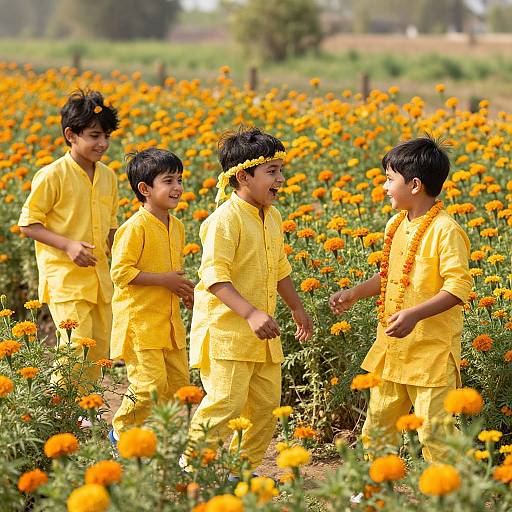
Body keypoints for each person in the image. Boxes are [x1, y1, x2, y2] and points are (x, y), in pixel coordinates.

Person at [330, 136, 472, 461]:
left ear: (415, 185)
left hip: (430, 354)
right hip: (392, 351)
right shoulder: (395, 224)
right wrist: (354, 293)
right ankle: (374, 489)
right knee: (377, 428)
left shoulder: (446, 230)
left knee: (435, 434)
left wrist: (415, 315)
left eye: (390, 179)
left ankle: (449, 497)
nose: (384, 186)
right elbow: (389, 274)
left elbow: (457, 289)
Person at [187, 127, 313, 472]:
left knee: (266, 407)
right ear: (243, 176)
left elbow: (280, 269)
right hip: (228, 333)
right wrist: (252, 314)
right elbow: (214, 278)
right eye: (272, 172)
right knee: (226, 404)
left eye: (281, 170)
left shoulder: (272, 216)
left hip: (262, 337)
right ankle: (190, 468)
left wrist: (297, 308)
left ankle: (239, 471)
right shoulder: (224, 221)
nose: (281, 179)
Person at [19, 90, 119, 386]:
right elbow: (28, 224)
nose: (103, 143)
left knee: (99, 348)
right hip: (66, 278)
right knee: (76, 347)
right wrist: (69, 245)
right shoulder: (52, 175)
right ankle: (60, 409)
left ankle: (81, 413)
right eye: (94, 135)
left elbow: (111, 229)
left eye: (107, 136)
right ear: (70, 135)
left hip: (100, 279)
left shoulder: (108, 177)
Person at [109, 148, 194, 444]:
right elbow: (119, 272)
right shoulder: (134, 228)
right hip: (141, 324)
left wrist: (183, 290)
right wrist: (165, 281)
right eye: (168, 181)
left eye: (179, 179)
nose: (177, 187)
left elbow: (172, 273)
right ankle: (120, 433)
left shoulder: (178, 226)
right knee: (149, 387)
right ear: (144, 189)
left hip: (169, 323)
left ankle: (159, 441)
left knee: (177, 386)